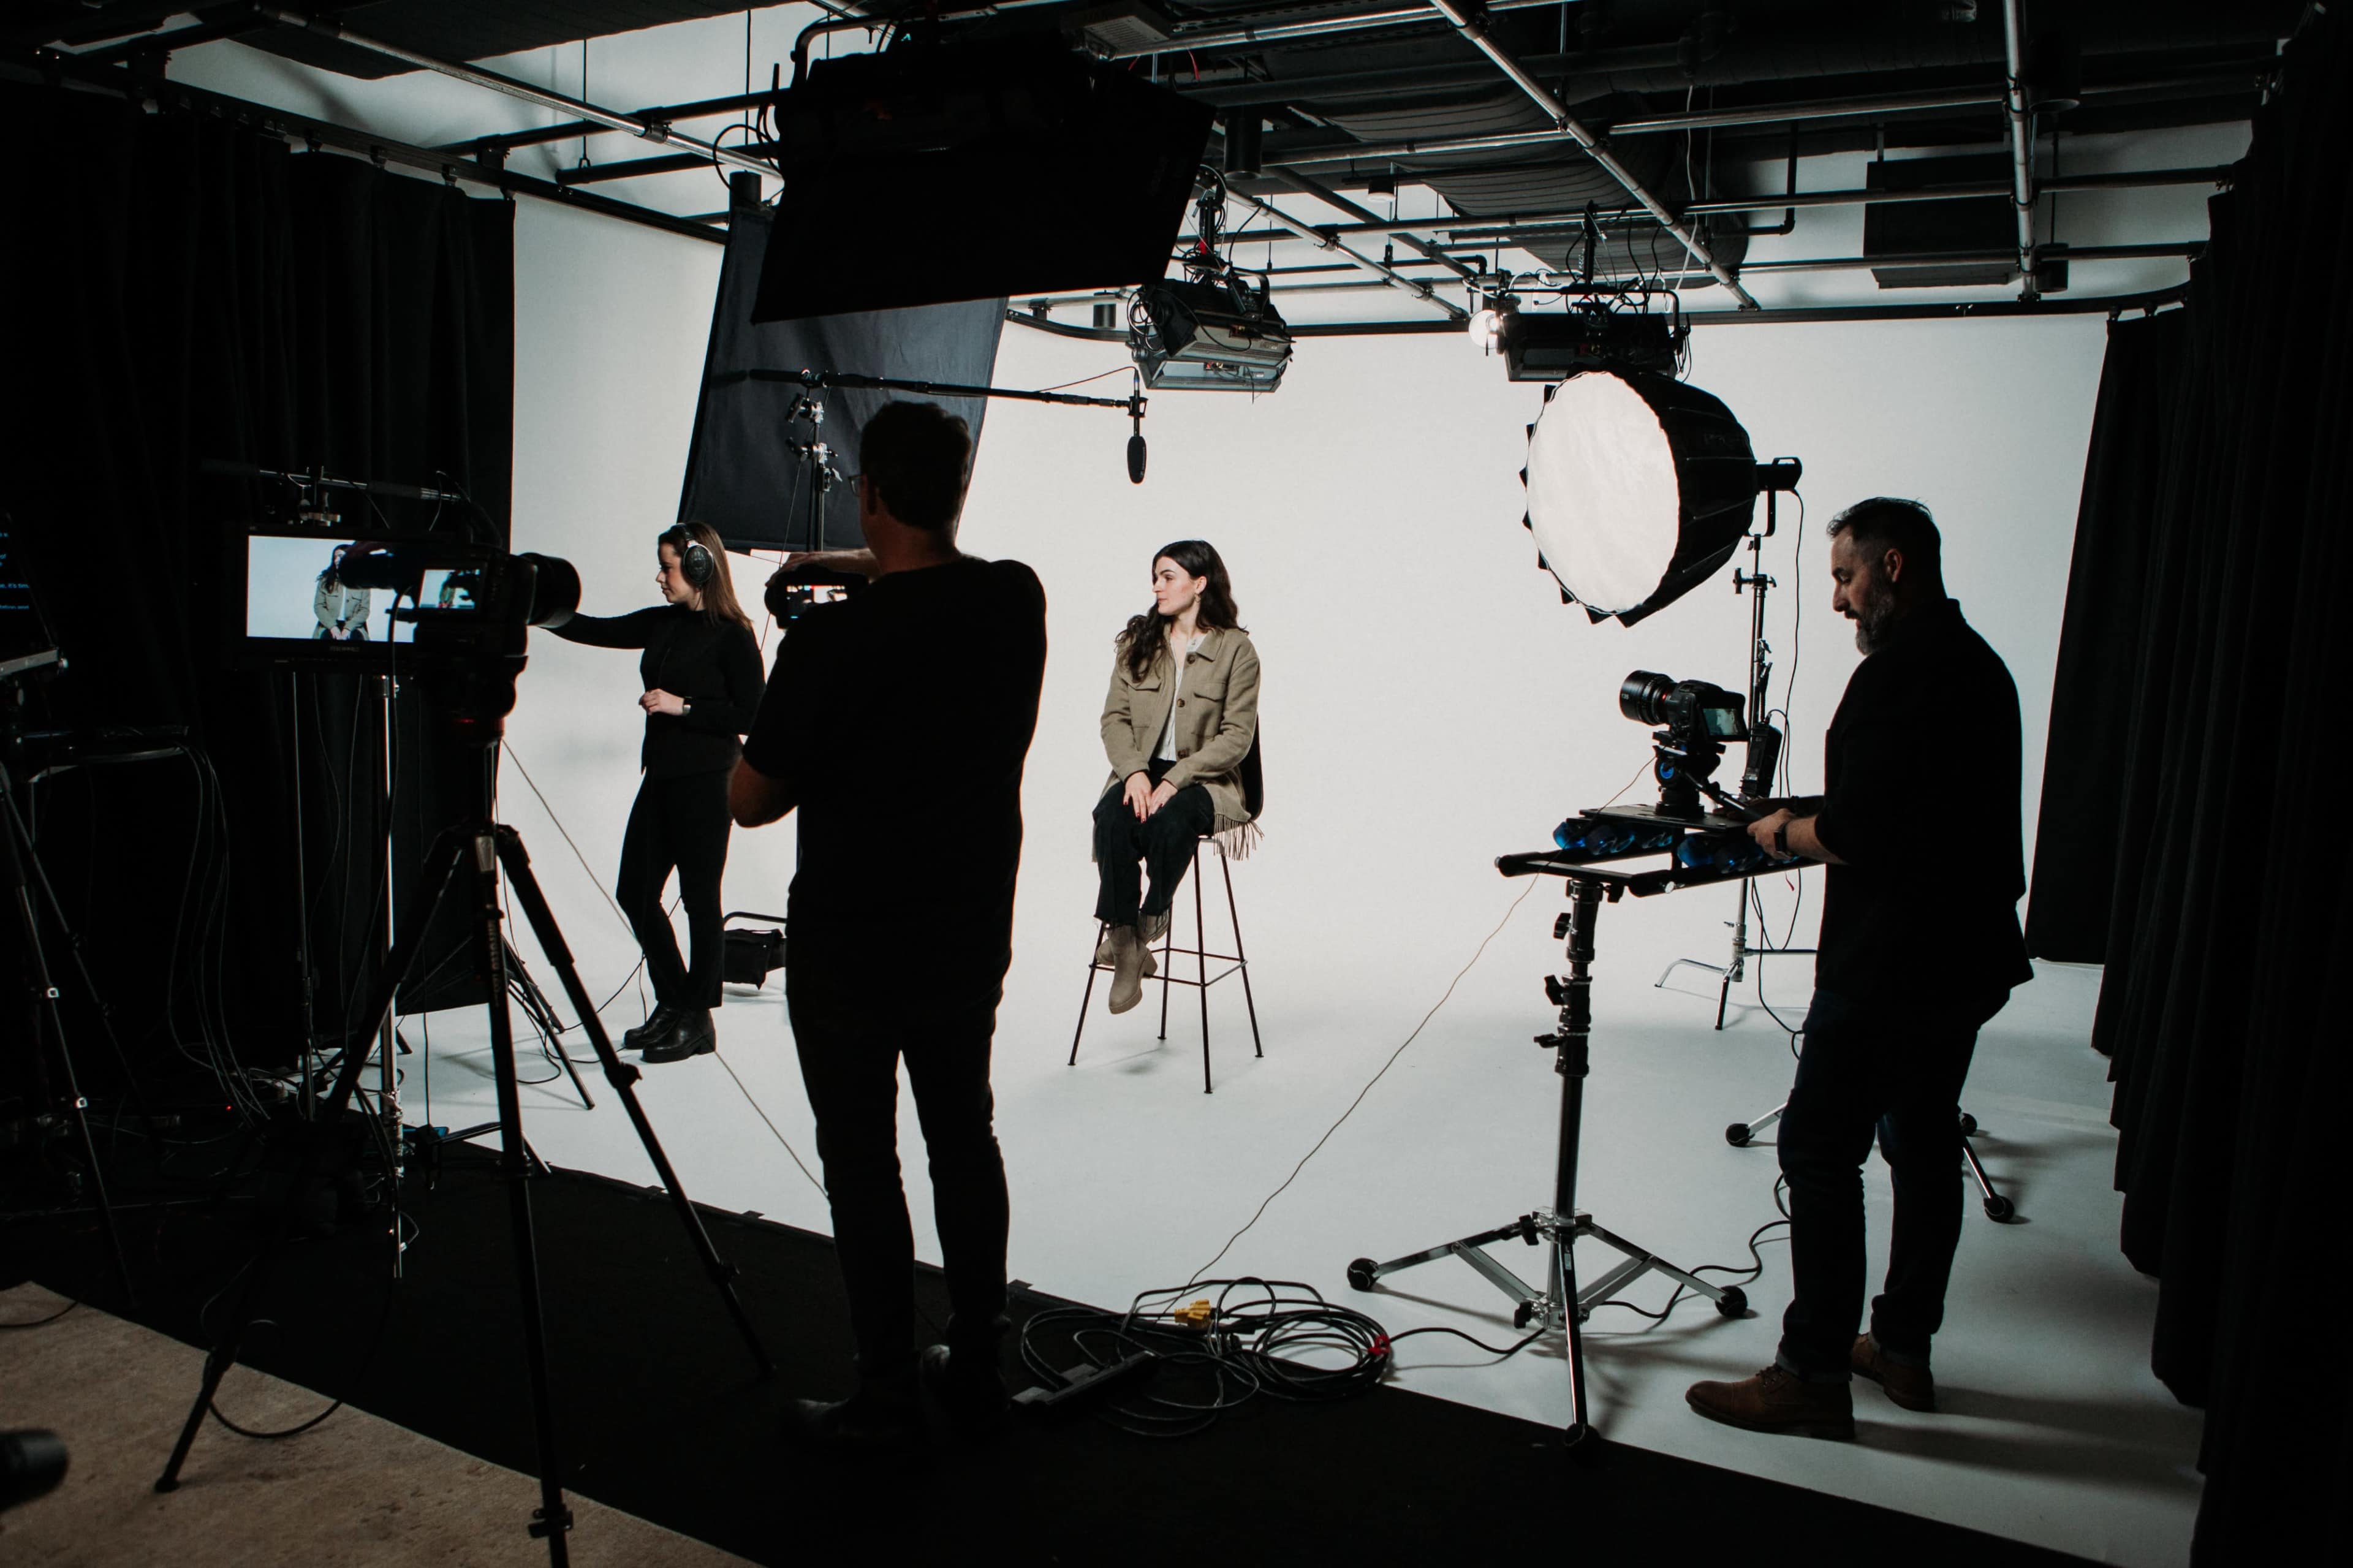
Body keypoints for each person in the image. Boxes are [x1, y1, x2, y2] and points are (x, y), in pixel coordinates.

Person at [729, 400, 1047, 1449]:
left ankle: (886, 1383)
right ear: (958, 491)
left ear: (869, 494)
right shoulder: (1013, 601)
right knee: (965, 1136)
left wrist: (811, 621)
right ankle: (979, 1351)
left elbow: (749, 797)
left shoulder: (828, 642)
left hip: (850, 943)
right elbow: (931, 583)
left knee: (862, 1159)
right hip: (964, 929)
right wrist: (855, 565)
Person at [1686, 497, 2033, 1439]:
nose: (1837, 599)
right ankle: (1903, 1349)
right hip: (1963, 961)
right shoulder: (1979, 666)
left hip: (1890, 963)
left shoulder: (1896, 674)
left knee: (1816, 1148)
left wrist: (1783, 830)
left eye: (1843, 576)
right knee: (1922, 1148)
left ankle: (1810, 1371)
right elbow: (1922, 801)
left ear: (1891, 566)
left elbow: (1861, 829)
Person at [549, 521, 764, 1063]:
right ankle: (675, 1000)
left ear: (698, 568)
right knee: (634, 891)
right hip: (664, 777)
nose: (660, 577)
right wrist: (538, 609)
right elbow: (594, 629)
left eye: (669, 566)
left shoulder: (733, 634)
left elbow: (754, 714)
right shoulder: (663, 623)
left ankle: (698, 1019)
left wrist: (684, 705)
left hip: (709, 780)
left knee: (699, 900)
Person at [1092, 540, 1261, 1014]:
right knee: (1111, 820)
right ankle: (1127, 944)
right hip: (1141, 772)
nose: (1156, 586)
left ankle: (1149, 917)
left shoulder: (1237, 651)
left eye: (1168, 576)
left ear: (1199, 583)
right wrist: (1134, 773)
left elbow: (1236, 737)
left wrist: (1176, 779)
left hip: (1207, 780)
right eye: (1155, 577)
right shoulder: (1139, 640)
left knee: (1171, 822)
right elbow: (1114, 720)